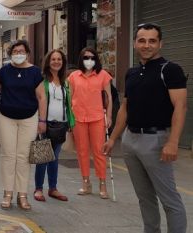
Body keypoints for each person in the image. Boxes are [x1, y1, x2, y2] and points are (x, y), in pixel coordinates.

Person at [103, 23, 188, 233]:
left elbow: (181, 107)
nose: (146, 45)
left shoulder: (170, 70)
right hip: (130, 142)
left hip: (157, 141)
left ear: (160, 43)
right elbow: (125, 107)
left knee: (169, 200)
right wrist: (113, 139)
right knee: (145, 198)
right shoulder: (131, 72)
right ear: (134, 43)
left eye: (152, 41)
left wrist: (173, 142)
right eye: (142, 40)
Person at [0, 40, 46, 211]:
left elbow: (41, 97)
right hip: (6, 117)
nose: (18, 54)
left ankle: (22, 194)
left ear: (28, 53)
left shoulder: (35, 72)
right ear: (10, 54)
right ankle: (7, 193)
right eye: (15, 51)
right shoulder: (3, 72)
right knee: (8, 155)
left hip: (29, 118)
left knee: (23, 156)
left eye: (21, 51)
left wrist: (42, 120)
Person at [68, 47, 112, 199]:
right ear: (81, 59)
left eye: (92, 58)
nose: (89, 60)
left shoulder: (103, 75)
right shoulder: (73, 76)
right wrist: (69, 118)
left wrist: (110, 116)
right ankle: (86, 182)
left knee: (99, 151)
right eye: (86, 57)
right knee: (82, 151)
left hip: (97, 117)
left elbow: (108, 98)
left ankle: (102, 183)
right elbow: (69, 98)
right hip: (78, 117)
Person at [33, 49, 74, 202]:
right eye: (53, 59)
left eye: (59, 59)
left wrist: (70, 122)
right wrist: (40, 121)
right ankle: (38, 189)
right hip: (45, 124)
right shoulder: (42, 80)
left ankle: (53, 188)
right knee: (43, 157)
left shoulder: (66, 82)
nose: (56, 62)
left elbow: (68, 104)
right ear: (48, 62)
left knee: (54, 158)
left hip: (61, 124)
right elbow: (38, 100)